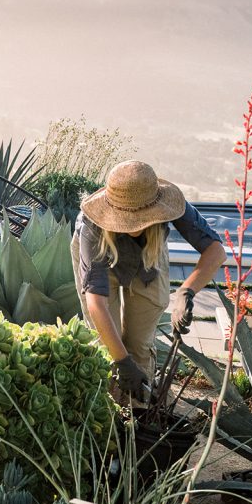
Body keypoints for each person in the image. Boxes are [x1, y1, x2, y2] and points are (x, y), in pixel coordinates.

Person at [70, 161, 226, 402]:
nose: (135, 224)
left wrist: (187, 291)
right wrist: (122, 362)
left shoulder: (169, 204)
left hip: (148, 256)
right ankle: (109, 413)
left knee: (140, 346)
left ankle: (140, 413)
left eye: (142, 217)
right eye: (127, 218)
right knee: (106, 346)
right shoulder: (93, 225)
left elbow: (216, 251)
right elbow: (96, 304)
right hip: (104, 253)